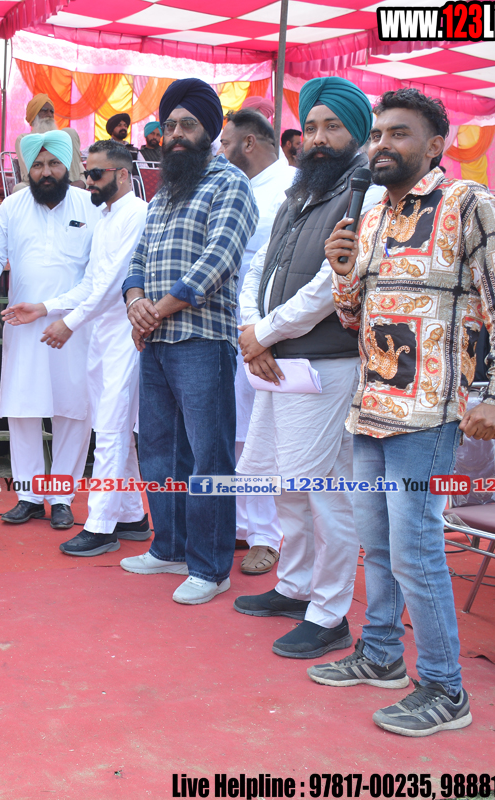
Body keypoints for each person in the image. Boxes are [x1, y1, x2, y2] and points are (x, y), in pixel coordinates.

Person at [318, 88, 495, 737]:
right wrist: (342, 273)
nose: (382, 144)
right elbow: (355, 318)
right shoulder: (372, 216)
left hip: (429, 414)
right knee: (378, 547)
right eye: (378, 134)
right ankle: (381, 653)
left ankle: (444, 687)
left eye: (398, 134)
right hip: (369, 410)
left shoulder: (469, 203)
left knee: (416, 550)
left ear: (435, 145)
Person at [235, 76, 385, 659]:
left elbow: (331, 286)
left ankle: (329, 614)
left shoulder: (363, 192)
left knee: (325, 493)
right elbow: (259, 268)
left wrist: (264, 333)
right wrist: (253, 332)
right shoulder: (300, 191)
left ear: (358, 134)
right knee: (286, 485)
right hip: (276, 361)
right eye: (312, 127)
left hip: (326, 364)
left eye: (333, 127)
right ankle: (295, 587)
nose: (318, 139)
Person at [120, 78, 259, 605]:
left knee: (208, 458)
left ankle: (210, 566)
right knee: (159, 452)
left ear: (210, 130)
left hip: (202, 340)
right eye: (169, 126)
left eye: (187, 125)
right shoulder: (163, 192)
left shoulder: (230, 185)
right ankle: (170, 547)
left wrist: (155, 310)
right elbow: (137, 259)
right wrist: (135, 301)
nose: (176, 134)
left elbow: (219, 260)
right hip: (154, 341)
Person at [3, 139, 151, 555]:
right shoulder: (105, 217)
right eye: (87, 173)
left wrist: (68, 323)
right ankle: (132, 515)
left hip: (125, 334)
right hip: (100, 334)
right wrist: (45, 308)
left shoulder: (137, 214)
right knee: (112, 428)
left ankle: (101, 526)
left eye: (96, 174)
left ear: (122, 175)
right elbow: (90, 284)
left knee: (111, 430)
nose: (89, 181)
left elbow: (114, 284)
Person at [0, 129, 98, 530]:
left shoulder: (90, 205)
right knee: (23, 410)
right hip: (23, 324)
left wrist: (58, 312)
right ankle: (28, 496)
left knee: (73, 410)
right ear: (27, 169)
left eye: (54, 164)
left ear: (69, 166)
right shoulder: (12, 207)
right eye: (38, 165)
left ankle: (61, 497)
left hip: (74, 326)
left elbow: (97, 274)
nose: (46, 172)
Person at [218, 107, 295, 577]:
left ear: (249, 143)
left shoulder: (292, 187)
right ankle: (242, 524)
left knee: (262, 436)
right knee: (236, 431)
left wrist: (262, 332)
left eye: (226, 144)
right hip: (227, 328)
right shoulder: (234, 186)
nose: (220, 153)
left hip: (270, 334)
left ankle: (267, 535)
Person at [14, 95, 84, 189]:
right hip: (39, 183)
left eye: (51, 111)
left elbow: (78, 166)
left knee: (69, 132)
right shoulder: (24, 139)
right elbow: (27, 173)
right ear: (34, 115)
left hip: (65, 182)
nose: (49, 115)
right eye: (44, 110)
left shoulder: (62, 138)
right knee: (19, 188)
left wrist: (83, 181)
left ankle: (69, 186)